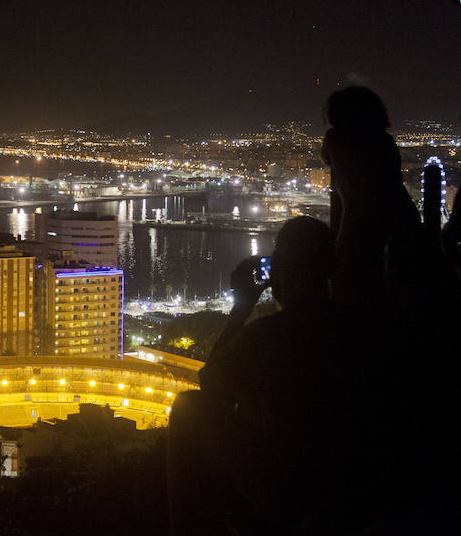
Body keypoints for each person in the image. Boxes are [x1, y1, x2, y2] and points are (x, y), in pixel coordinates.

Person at [168, 217, 388, 535]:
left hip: (293, 493)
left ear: (281, 269)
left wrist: (243, 306)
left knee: (188, 407)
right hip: (358, 488)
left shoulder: (265, 336)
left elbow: (210, 386)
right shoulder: (364, 330)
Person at [320, 86, 421, 306]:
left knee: (350, 288)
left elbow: (326, 159)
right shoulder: (385, 142)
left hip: (358, 224)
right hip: (401, 217)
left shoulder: (336, 140)